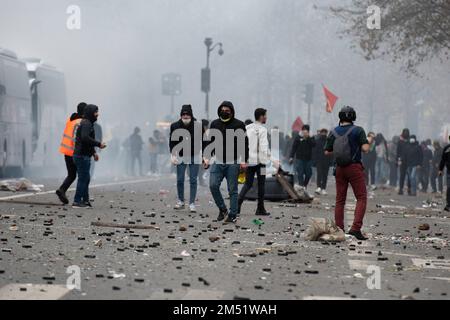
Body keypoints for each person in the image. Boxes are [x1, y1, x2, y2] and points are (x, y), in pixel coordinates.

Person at [324, 106, 371, 241]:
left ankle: (339, 228)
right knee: (361, 197)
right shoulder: (358, 130)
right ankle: (356, 229)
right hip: (354, 167)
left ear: (340, 117)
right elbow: (366, 149)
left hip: (339, 168)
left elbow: (327, 151)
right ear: (354, 117)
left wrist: (340, 152)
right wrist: (369, 141)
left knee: (340, 200)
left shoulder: (333, 131)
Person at [205, 101, 248, 224]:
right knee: (213, 185)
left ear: (232, 112)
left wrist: (244, 160)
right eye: (222, 110)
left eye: (227, 111)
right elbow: (210, 142)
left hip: (233, 162)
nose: (224, 112)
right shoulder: (215, 124)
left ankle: (233, 215)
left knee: (232, 190)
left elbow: (244, 143)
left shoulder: (239, 124)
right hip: (217, 161)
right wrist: (207, 158)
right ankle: (223, 209)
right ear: (219, 111)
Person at [169, 105, 204, 213]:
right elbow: (172, 141)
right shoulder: (174, 125)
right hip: (180, 154)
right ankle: (181, 201)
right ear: (181, 115)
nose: (185, 116)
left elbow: (204, 141)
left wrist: (205, 155)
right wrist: (173, 154)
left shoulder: (198, 126)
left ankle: (192, 203)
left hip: (195, 155)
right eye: (183, 114)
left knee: (193, 180)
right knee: (180, 179)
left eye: (187, 114)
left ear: (191, 114)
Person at [238, 108, 272, 216]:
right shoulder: (262, 130)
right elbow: (263, 147)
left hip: (249, 161)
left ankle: (237, 205)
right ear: (261, 116)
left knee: (248, 183)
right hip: (261, 163)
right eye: (265, 115)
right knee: (261, 184)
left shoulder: (247, 128)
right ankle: (260, 209)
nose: (266, 117)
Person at [72, 104, 106, 208]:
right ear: (91, 113)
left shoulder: (88, 123)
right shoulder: (86, 123)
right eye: (96, 112)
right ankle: (77, 201)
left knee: (86, 178)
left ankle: (85, 200)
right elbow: (85, 138)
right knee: (83, 178)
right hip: (81, 156)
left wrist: (94, 153)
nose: (97, 114)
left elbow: (87, 142)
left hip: (84, 155)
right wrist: (98, 144)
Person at [56, 102, 86, 204]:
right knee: (83, 175)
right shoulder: (81, 122)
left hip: (67, 152)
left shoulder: (71, 120)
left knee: (72, 174)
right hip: (76, 152)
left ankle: (62, 190)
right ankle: (81, 199)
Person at [289, 125, 316, 189]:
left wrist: (308, 138)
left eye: (306, 131)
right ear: (302, 130)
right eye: (304, 131)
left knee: (309, 173)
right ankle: (301, 186)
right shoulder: (298, 137)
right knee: (300, 173)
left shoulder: (311, 137)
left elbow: (313, 145)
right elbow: (294, 147)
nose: (305, 132)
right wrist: (291, 157)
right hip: (299, 158)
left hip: (308, 159)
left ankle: (304, 185)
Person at [314, 129, 333, 195]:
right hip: (319, 160)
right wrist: (314, 160)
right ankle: (318, 187)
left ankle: (323, 188)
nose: (324, 134)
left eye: (325, 132)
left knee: (325, 175)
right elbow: (315, 152)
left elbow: (331, 152)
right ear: (321, 133)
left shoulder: (329, 141)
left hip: (326, 161)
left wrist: (331, 161)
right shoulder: (317, 141)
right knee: (319, 174)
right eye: (323, 132)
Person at [397, 128, 410, 195]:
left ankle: (409, 189)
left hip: (409, 161)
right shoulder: (400, 142)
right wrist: (398, 160)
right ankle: (401, 189)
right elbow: (398, 152)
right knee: (402, 176)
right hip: (402, 161)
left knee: (409, 176)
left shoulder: (410, 142)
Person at [438, 137, 450, 211]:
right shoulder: (447, 148)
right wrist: (440, 169)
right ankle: (448, 204)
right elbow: (443, 159)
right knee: (449, 188)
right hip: (449, 171)